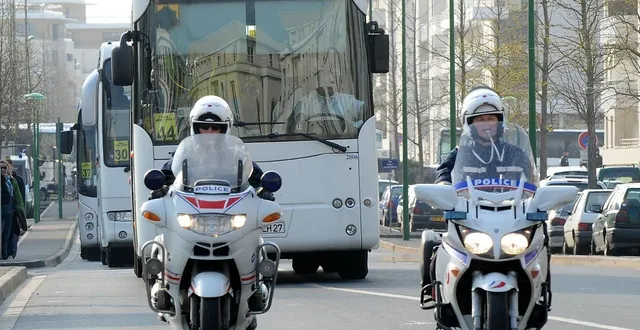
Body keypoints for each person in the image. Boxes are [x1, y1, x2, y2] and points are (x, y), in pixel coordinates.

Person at [426, 86, 552, 304]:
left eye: (492, 118)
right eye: (480, 119)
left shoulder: (515, 153)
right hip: (472, 216)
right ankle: (436, 294)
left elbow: (531, 181)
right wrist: (444, 186)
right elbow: (443, 173)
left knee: (541, 241)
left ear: (500, 122)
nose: (487, 124)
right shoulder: (459, 153)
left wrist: (539, 197)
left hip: (509, 216)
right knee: (433, 245)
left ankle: (540, 293)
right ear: (469, 123)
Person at [150, 95, 274, 201]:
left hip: (231, 211)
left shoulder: (235, 155)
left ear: (225, 128)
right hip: (190, 211)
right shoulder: (186, 155)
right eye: (204, 126)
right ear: (196, 128)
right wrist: (162, 189)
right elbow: (165, 177)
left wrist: (262, 190)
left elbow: (257, 179)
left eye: (215, 127)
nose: (209, 131)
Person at [0, 160, 24, 259]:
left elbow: (17, 196)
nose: (3, 169)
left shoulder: (12, 181)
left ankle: (5, 254)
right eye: (1, 168)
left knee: (8, 233)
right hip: (2, 209)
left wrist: (19, 209)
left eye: (4, 167)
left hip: (9, 210)